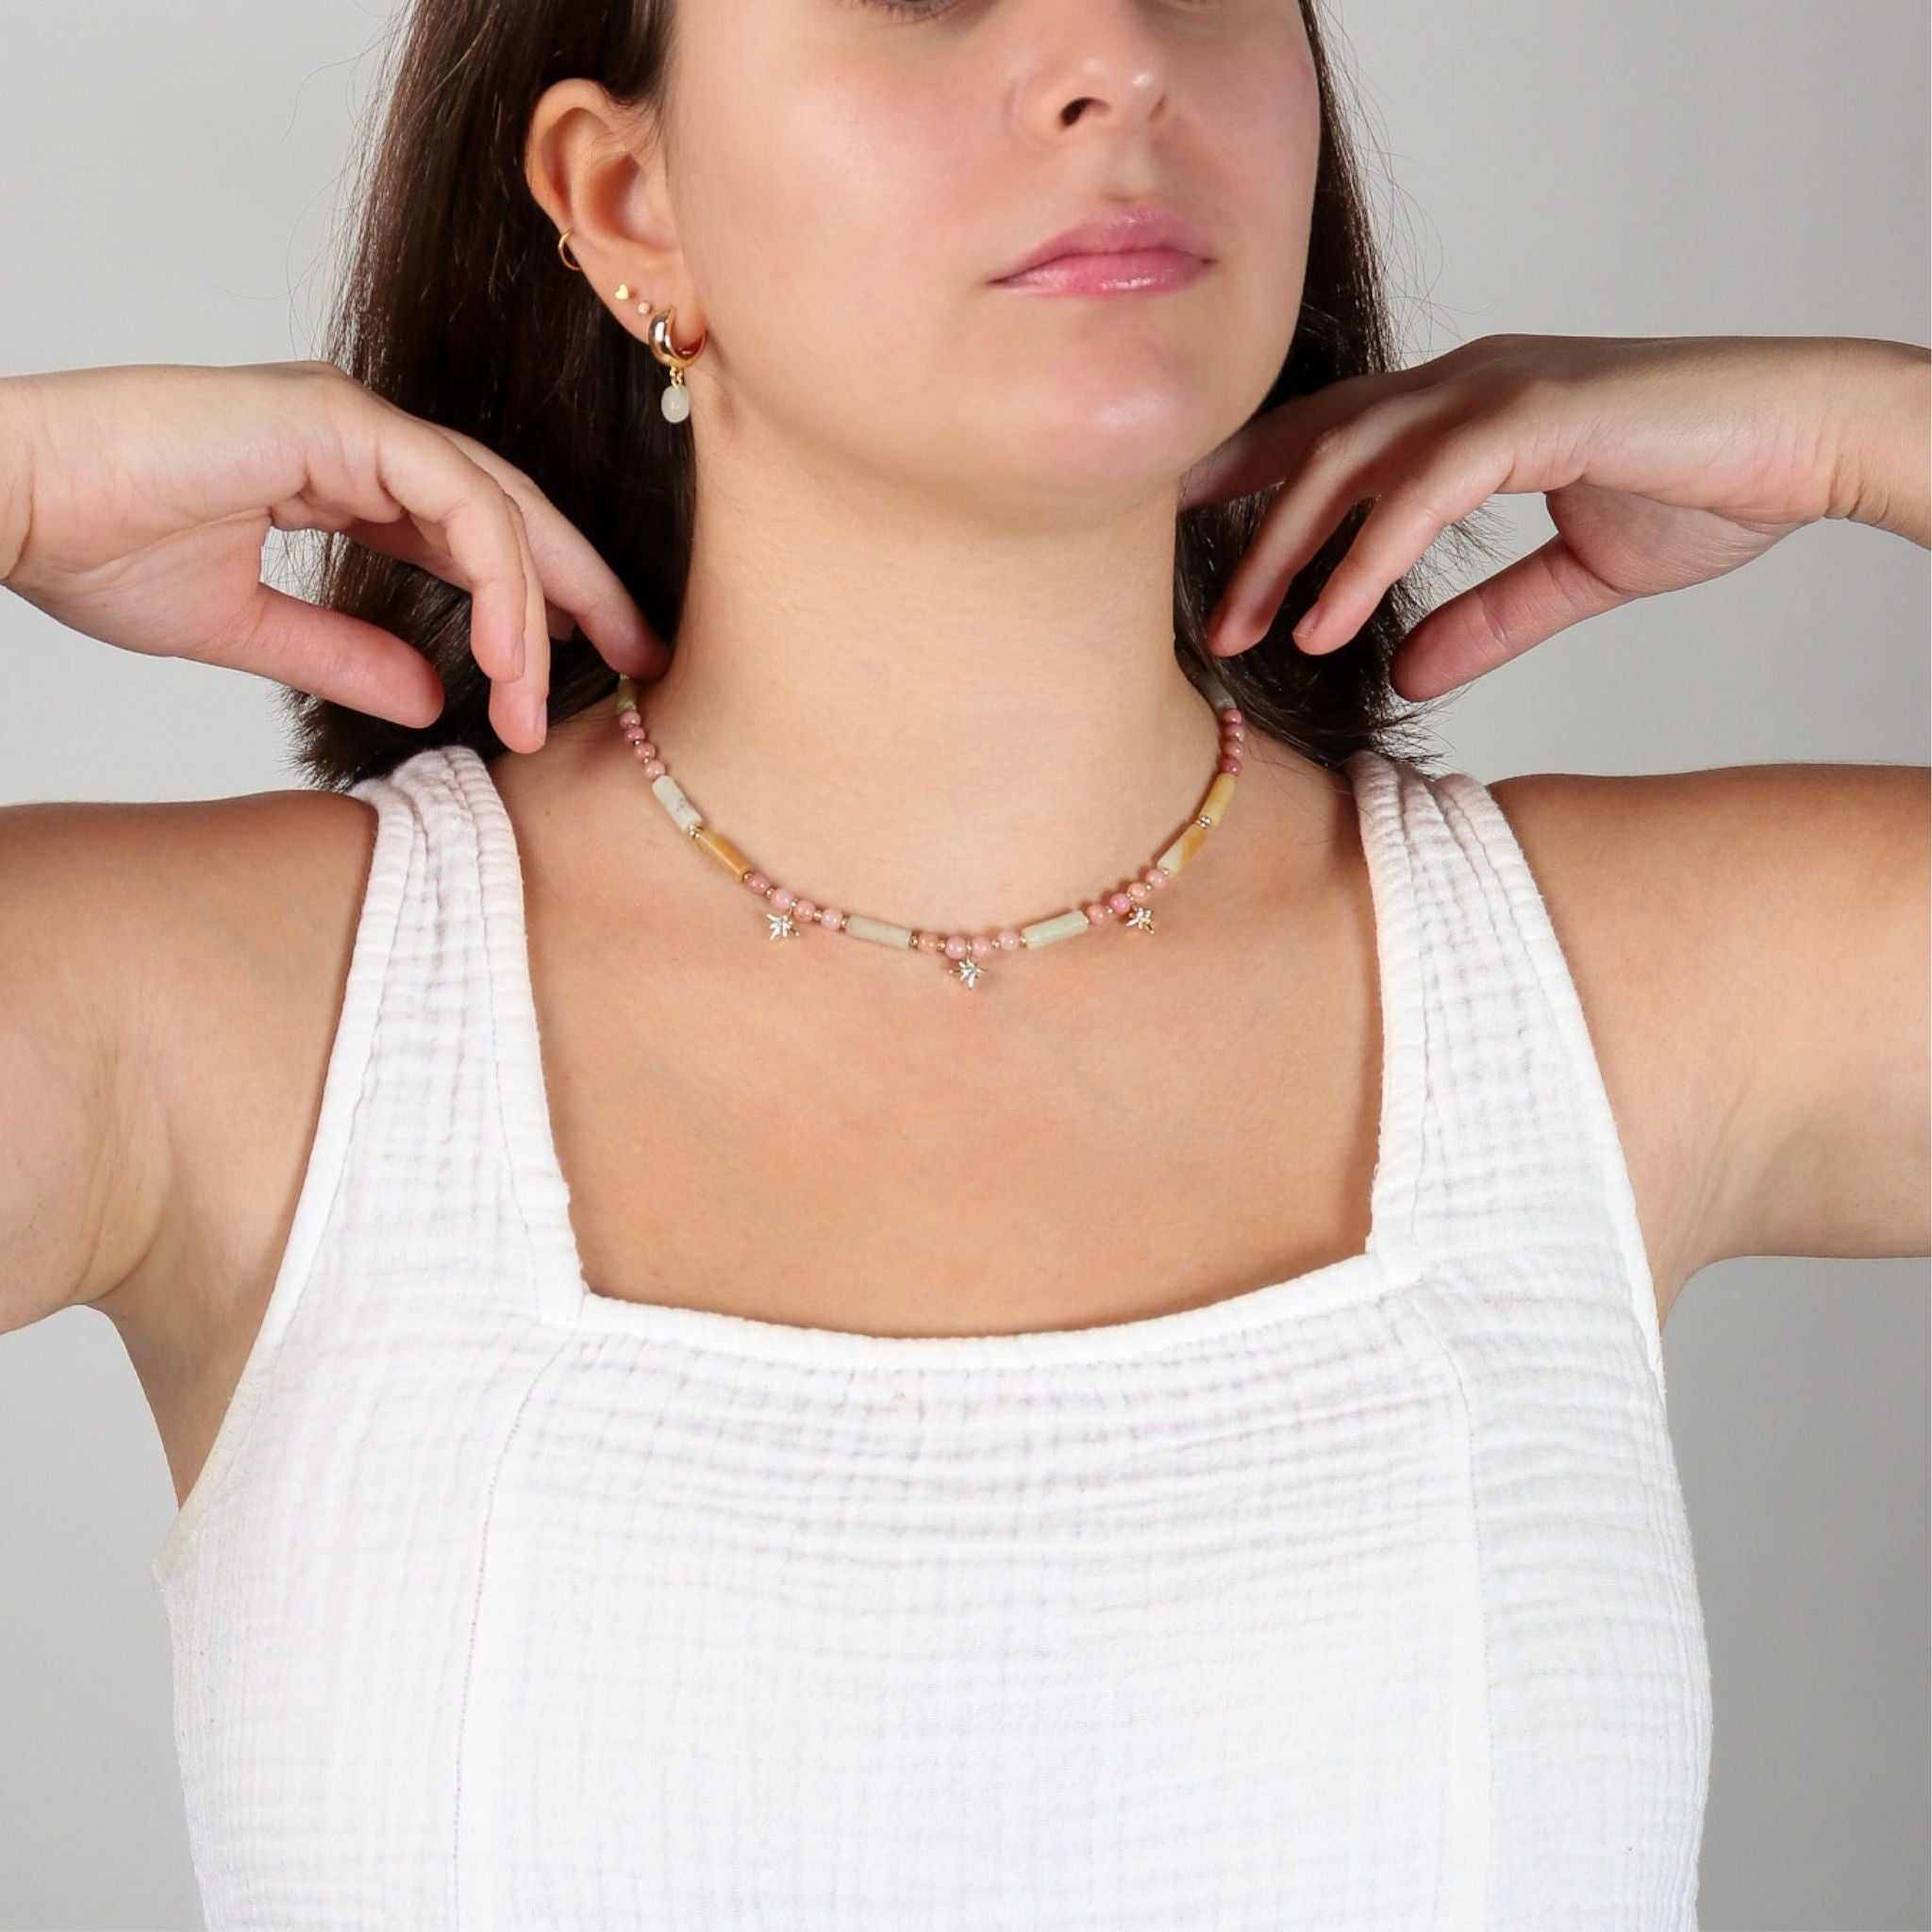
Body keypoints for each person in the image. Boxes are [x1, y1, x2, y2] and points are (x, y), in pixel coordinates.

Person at [1, 0, 1925, 1924]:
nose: (1115, 53)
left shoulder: (1625, 991)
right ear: (623, 197)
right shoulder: (214, 1018)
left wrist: (1874, 425)